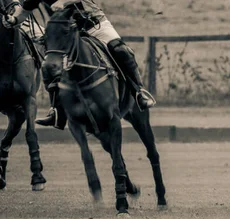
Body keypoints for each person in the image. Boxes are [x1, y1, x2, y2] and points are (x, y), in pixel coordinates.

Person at [2, 0, 156, 130]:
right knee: (50, 66)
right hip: (68, 35)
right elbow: (24, 11)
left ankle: (138, 92)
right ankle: (56, 110)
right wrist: (13, 20)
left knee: (122, 51)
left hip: (95, 26)